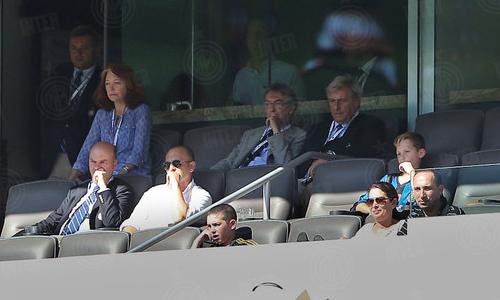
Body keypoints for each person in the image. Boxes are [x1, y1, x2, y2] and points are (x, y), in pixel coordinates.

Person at [29, 142, 135, 235]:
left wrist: (103, 188)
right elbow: (54, 220)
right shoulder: (76, 190)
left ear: (114, 164)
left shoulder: (122, 190)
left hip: (87, 245)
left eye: (103, 162)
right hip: (61, 241)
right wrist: (28, 232)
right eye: (93, 162)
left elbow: (112, 223)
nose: (97, 167)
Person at [70, 63, 151, 180]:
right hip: (106, 177)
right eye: (107, 84)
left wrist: (119, 174)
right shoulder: (102, 114)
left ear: (129, 85)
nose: (111, 88)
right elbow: (87, 147)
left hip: (134, 176)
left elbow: (139, 151)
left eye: (117, 83)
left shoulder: (141, 111)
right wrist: (71, 179)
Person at [41, 25, 102, 178]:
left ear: (96, 50)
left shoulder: (104, 80)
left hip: (84, 158)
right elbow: (44, 114)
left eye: (84, 48)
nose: (78, 53)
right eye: (74, 48)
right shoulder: (58, 74)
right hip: (54, 154)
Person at [305, 74, 385, 179]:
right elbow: (302, 161)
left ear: (356, 102)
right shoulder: (318, 128)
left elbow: (363, 153)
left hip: (343, 184)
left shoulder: (371, 125)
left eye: (342, 101)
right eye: (332, 101)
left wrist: (330, 157)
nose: (336, 107)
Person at [211, 83, 306, 170]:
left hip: (265, 182)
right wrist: (207, 175)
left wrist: (276, 131)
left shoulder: (298, 135)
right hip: (237, 178)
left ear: (291, 108)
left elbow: (285, 167)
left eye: (278, 104)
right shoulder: (251, 134)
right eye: (267, 104)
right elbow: (229, 162)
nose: (272, 109)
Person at [120, 146, 212, 234]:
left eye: (176, 163)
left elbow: (180, 218)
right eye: (167, 165)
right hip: (142, 243)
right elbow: (132, 223)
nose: (171, 168)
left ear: (191, 166)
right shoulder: (153, 192)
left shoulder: (201, 195)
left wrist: (176, 185)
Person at [232, 19, 305, 105]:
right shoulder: (241, 76)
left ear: (268, 38)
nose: (254, 39)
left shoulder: (289, 72)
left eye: (259, 34)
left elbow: (300, 112)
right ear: (246, 40)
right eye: (250, 35)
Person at [354, 132, 427, 214]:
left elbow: (428, 203)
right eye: (398, 154)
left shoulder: (428, 178)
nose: (402, 157)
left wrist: (412, 172)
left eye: (407, 151)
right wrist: (374, 212)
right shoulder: (388, 180)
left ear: (421, 153)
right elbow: (360, 204)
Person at [191, 204, 257, 248]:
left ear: (232, 224)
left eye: (216, 225)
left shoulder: (247, 247)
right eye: (209, 226)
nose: (212, 230)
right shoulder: (211, 249)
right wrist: (197, 241)